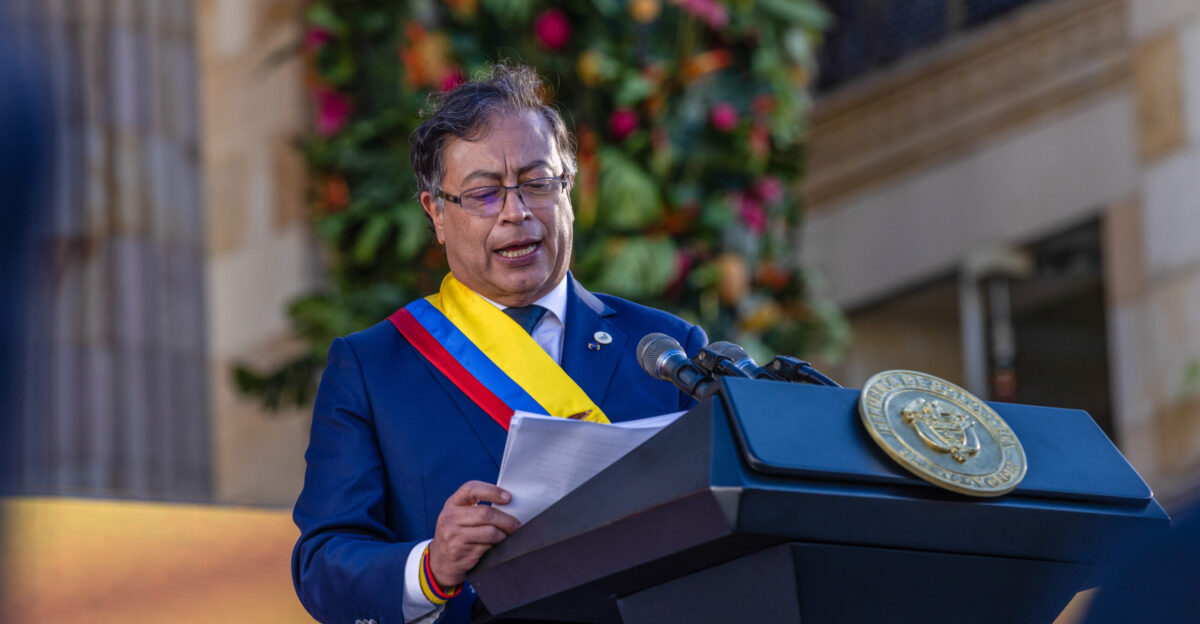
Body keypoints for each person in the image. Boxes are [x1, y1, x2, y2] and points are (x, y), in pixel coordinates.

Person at [292, 63, 707, 624]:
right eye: (484, 193)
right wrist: (430, 567)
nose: (516, 213)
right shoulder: (372, 367)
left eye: (537, 183)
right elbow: (324, 563)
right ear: (436, 212)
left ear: (570, 189)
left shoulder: (666, 348)